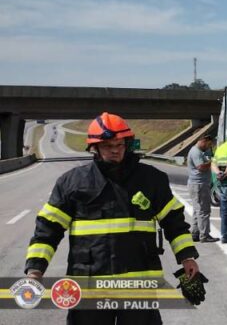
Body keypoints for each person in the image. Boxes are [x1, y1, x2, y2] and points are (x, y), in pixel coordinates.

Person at [25, 112, 202, 323]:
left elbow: (174, 222)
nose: (115, 150)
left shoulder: (151, 179)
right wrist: (35, 270)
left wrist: (187, 257)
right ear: (95, 147)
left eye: (120, 144)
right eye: (108, 145)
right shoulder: (72, 183)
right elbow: (48, 229)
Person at [187, 134, 217, 242]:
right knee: (203, 210)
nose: (208, 147)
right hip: (199, 184)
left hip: (198, 184)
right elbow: (201, 167)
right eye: (208, 144)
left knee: (197, 210)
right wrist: (212, 162)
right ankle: (204, 235)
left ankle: (195, 233)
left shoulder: (201, 151)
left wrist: (210, 152)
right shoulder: (196, 152)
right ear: (203, 141)